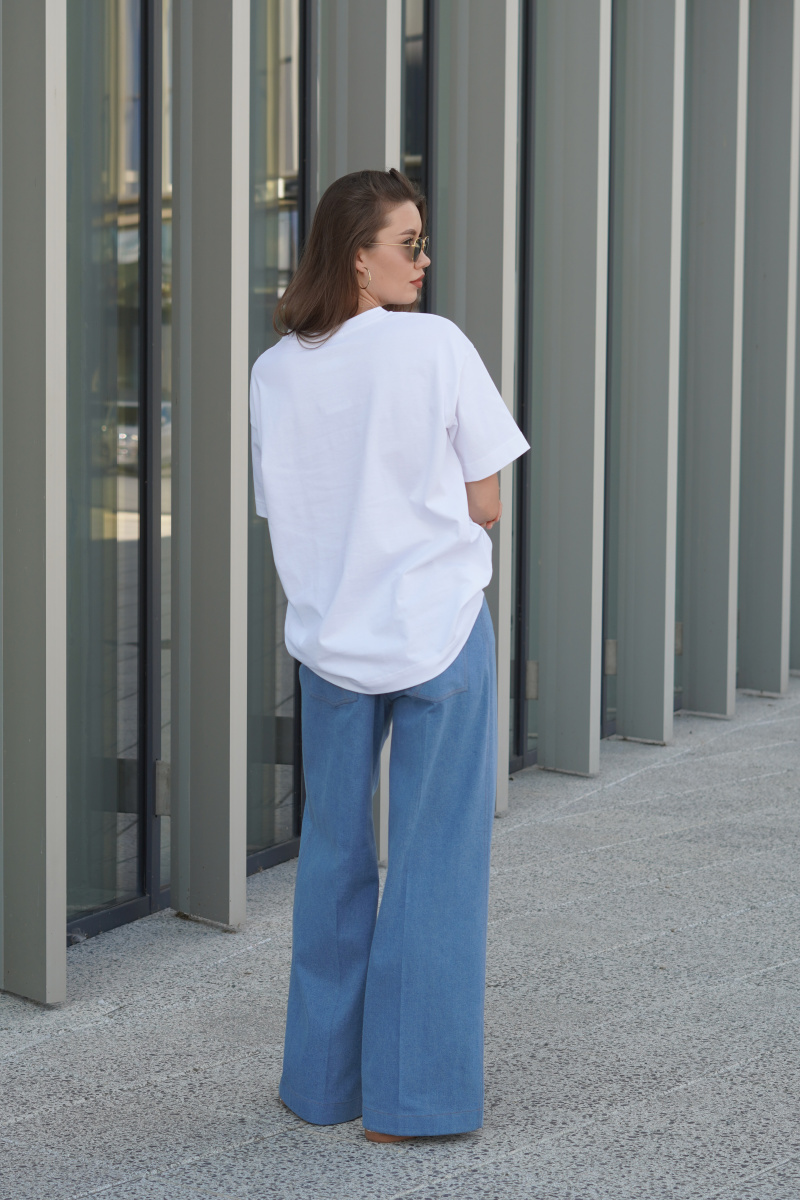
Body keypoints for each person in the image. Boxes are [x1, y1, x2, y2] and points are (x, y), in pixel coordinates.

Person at [249, 167, 530, 1143]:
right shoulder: (433, 344)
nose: (423, 259)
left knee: (332, 855)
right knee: (433, 862)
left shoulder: (274, 371)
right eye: (407, 243)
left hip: (331, 640)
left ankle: (321, 1085)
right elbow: (486, 501)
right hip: (436, 629)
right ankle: (413, 1102)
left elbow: (289, 510)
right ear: (357, 256)